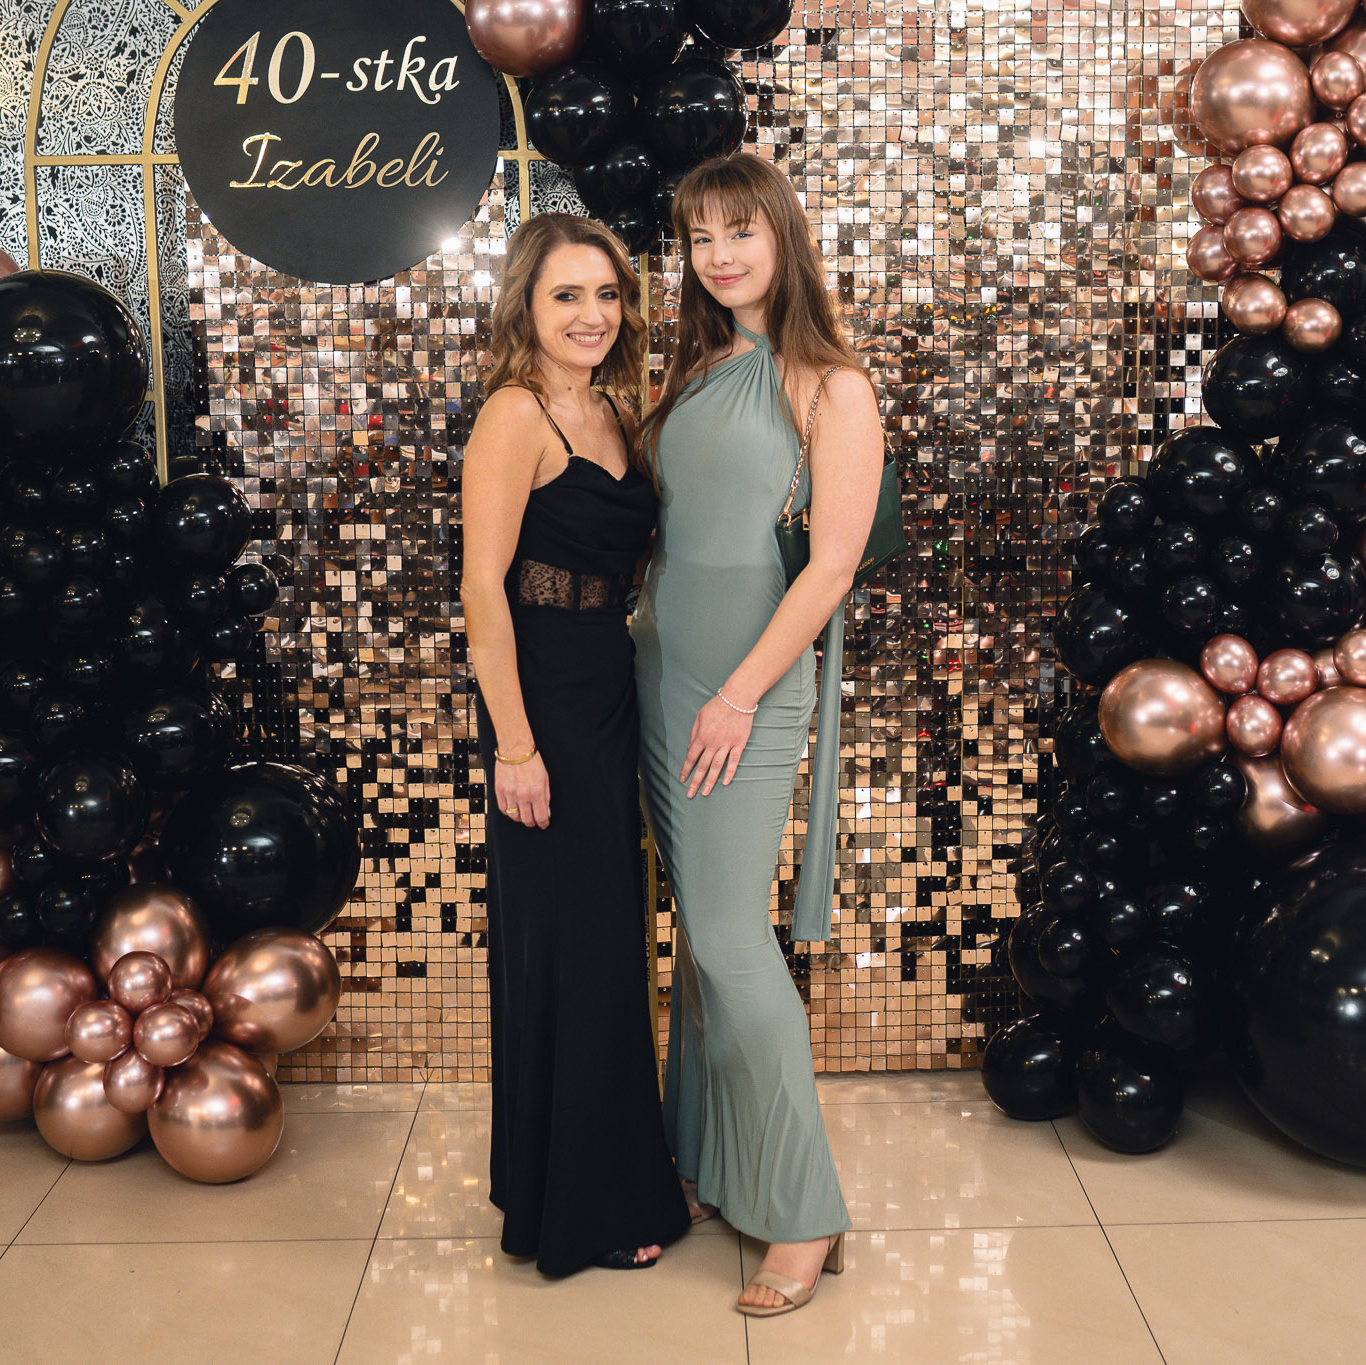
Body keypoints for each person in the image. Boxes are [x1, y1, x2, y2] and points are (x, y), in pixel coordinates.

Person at [633, 151, 886, 1317]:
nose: (718, 254)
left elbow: (829, 567)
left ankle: (801, 1208)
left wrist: (737, 694)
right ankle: (703, 1159)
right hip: (657, 676)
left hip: (744, 687)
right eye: (699, 237)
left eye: (739, 230)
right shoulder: (696, 368)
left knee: (732, 939)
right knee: (696, 935)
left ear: (782, 235)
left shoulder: (829, 385)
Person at [459, 212, 689, 1276]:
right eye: (567, 295)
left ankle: (579, 1179)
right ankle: (581, 1209)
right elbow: (482, 589)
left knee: (600, 938)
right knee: (571, 941)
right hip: (540, 697)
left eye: (606, 294)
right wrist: (514, 745)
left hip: (606, 683)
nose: (591, 314)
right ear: (527, 306)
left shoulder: (612, 410)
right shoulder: (515, 413)